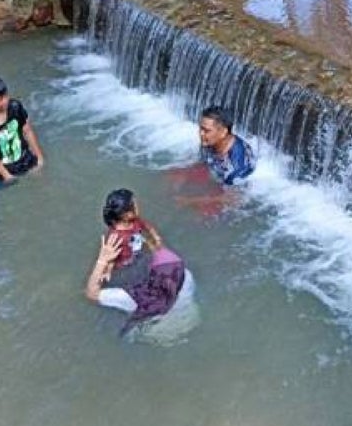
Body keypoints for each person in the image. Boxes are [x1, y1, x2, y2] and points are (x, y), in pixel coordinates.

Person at [85, 189, 191, 335]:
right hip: (125, 262)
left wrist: (102, 262)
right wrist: (108, 268)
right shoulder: (185, 277)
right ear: (127, 214)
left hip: (136, 261)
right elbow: (113, 257)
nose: (138, 206)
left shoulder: (135, 222)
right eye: (135, 204)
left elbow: (91, 293)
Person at [0, 74, 44, 184]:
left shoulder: (15, 107)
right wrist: (6, 176)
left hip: (26, 158)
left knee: (40, 183)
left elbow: (27, 131)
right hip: (5, 168)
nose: (5, 100)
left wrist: (39, 158)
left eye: (6, 95)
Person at [198, 106, 255, 186]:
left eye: (206, 130)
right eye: (201, 128)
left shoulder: (236, 168)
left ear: (223, 132)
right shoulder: (208, 142)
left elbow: (231, 195)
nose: (201, 133)